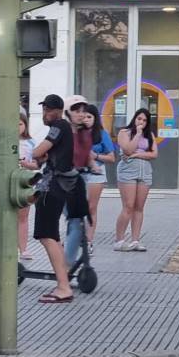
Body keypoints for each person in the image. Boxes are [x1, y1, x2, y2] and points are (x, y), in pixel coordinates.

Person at [30, 94, 86, 304]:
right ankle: (62, 283)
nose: (44, 114)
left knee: (47, 236)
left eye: (46, 110)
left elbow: (38, 151)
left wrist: (35, 153)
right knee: (51, 236)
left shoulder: (58, 126)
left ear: (57, 110)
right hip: (55, 186)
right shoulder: (64, 129)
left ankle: (63, 286)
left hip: (52, 187)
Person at [64, 99, 114, 266]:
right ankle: (72, 246)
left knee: (89, 208)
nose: (85, 118)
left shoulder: (100, 134)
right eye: (82, 115)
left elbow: (111, 157)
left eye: (88, 116)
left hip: (94, 173)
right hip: (75, 175)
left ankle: (88, 241)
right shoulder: (74, 133)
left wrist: (94, 158)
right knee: (75, 214)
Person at [114, 108, 157, 251]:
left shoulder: (149, 134)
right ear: (134, 119)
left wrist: (138, 155)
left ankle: (135, 240)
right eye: (139, 119)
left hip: (144, 171)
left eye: (145, 120)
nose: (141, 122)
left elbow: (154, 154)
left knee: (139, 207)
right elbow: (128, 150)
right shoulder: (124, 133)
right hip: (128, 171)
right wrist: (137, 134)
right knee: (128, 206)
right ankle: (119, 240)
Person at [18, 114, 38, 260]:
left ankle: (23, 248)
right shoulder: (3, 141)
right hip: (9, 181)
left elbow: (37, 164)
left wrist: (26, 164)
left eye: (20, 124)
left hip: (25, 181)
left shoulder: (31, 142)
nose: (17, 127)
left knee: (23, 216)